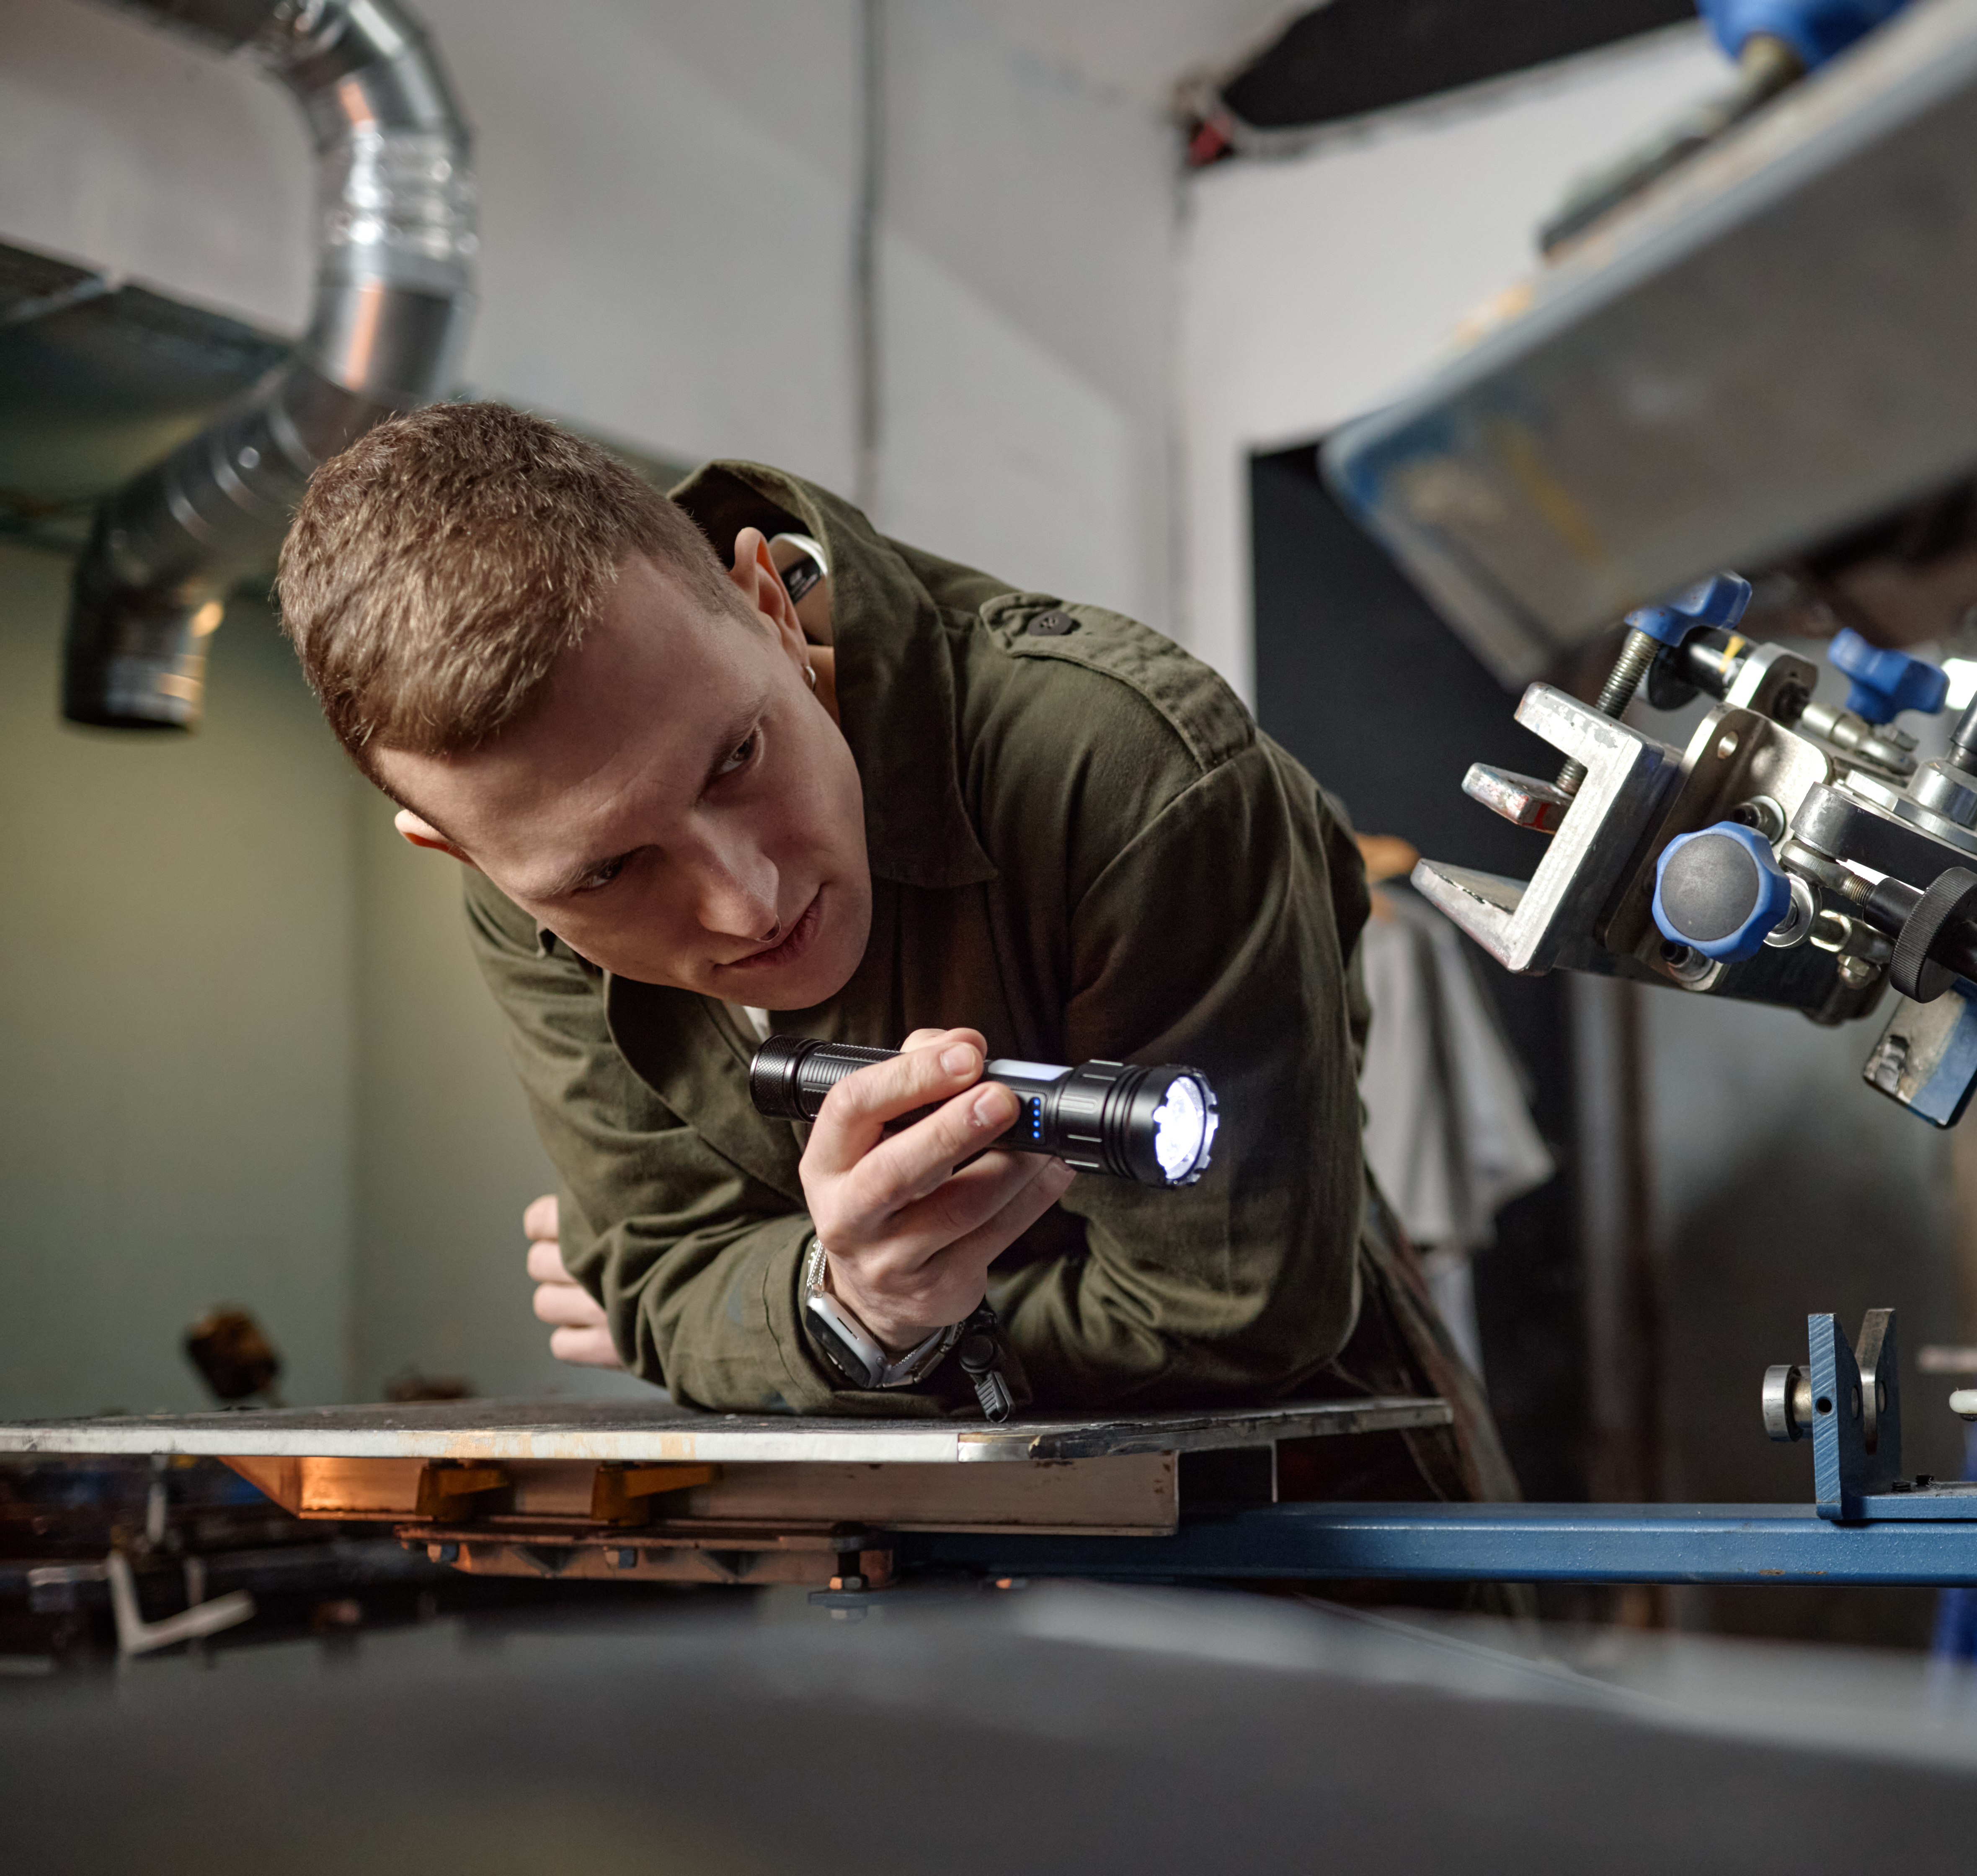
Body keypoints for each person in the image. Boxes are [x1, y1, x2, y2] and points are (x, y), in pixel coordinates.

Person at [276, 402, 1506, 1500]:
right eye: (609, 872)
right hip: (915, 1575)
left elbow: (1231, 1315)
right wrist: (843, 1306)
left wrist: (815, 1325)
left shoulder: (1128, 771)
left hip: (1314, 1531)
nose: (745, 900)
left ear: (766, 604)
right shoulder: (523, 884)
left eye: (738, 759)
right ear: (458, 853)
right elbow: (659, 1274)